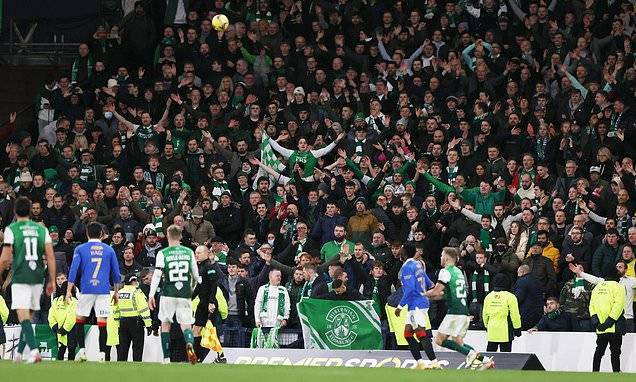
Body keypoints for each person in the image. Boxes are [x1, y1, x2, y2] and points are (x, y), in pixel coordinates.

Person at [0, 196, 56, 363]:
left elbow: (5, 258)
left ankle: (33, 350)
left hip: (21, 275)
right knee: (28, 316)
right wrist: (51, 280)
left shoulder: (12, 229)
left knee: (23, 315)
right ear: (31, 210)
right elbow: (51, 257)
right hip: (38, 276)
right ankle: (19, 352)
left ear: (16, 211)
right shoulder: (41, 229)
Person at [426, 247, 494, 370]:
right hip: (463, 311)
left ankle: (472, 354)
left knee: (439, 340)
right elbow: (444, 294)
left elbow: (436, 291)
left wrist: (421, 294)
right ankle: (484, 360)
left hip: (454, 312)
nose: (441, 258)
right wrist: (429, 297)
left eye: (442, 255)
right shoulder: (458, 272)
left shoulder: (445, 271)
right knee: (458, 341)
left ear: (446, 257)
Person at [67, 221, 121, 362]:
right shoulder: (109, 250)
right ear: (102, 234)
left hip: (86, 288)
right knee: (102, 322)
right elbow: (116, 273)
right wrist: (116, 292)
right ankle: (102, 355)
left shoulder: (80, 249)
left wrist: (68, 291)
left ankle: (83, 352)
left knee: (79, 319)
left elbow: (73, 271)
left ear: (86, 233)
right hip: (103, 289)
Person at [148, 224, 199, 365]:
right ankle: (189, 343)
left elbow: (157, 275)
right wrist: (191, 290)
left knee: (165, 324)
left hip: (167, 292)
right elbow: (195, 276)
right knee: (186, 324)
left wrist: (151, 295)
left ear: (168, 236)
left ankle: (166, 358)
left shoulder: (163, 253)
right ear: (181, 236)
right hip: (184, 293)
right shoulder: (189, 252)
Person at [394, 243, 440, 369]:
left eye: (401, 250)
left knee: (420, 332)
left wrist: (399, 306)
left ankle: (434, 362)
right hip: (419, 301)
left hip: (416, 304)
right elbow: (424, 277)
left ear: (405, 253)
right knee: (408, 334)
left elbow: (409, 290)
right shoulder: (417, 264)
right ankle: (420, 362)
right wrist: (432, 285)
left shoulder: (407, 267)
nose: (399, 251)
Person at [587, 268, 627, 372]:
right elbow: (618, 306)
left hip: (600, 327)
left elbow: (592, 305)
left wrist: (596, 321)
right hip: (614, 326)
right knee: (615, 352)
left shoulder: (597, 287)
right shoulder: (619, 287)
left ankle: (595, 373)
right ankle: (616, 373)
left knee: (599, 351)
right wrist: (609, 322)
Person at [191, 245, 223, 363]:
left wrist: (211, 302)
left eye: (199, 253)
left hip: (209, 304)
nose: (196, 255)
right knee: (196, 330)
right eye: (195, 253)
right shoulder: (199, 268)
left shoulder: (209, 266)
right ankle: (196, 358)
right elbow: (199, 287)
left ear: (206, 253)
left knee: (211, 332)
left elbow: (214, 285)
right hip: (202, 303)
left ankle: (221, 355)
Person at [114, 274, 151, 362]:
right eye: (136, 280)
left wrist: (117, 324)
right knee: (137, 348)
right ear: (132, 281)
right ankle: (136, 369)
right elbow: (144, 310)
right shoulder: (137, 293)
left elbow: (116, 310)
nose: (137, 282)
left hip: (122, 323)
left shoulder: (119, 293)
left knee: (122, 348)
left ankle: (121, 369)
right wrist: (148, 325)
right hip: (136, 323)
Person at [482, 273, 522, 352]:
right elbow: (515, 315)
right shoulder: (510, 297)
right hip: (505, 332)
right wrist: (517, 329)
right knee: (505, 358)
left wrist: (486, 326)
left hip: (492, 330)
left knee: (490, 355)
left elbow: (485, 314)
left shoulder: (488, 296)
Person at [48, 281, 77, 360]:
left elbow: (51, 315)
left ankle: (58, 369)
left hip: (58, 329)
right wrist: (65, 328)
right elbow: (72, 316)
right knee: (71, 349)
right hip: (70, 330)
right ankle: (70, 368)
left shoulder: (56, 301)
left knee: (61, 349)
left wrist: (54, 326)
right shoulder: (74, 301)